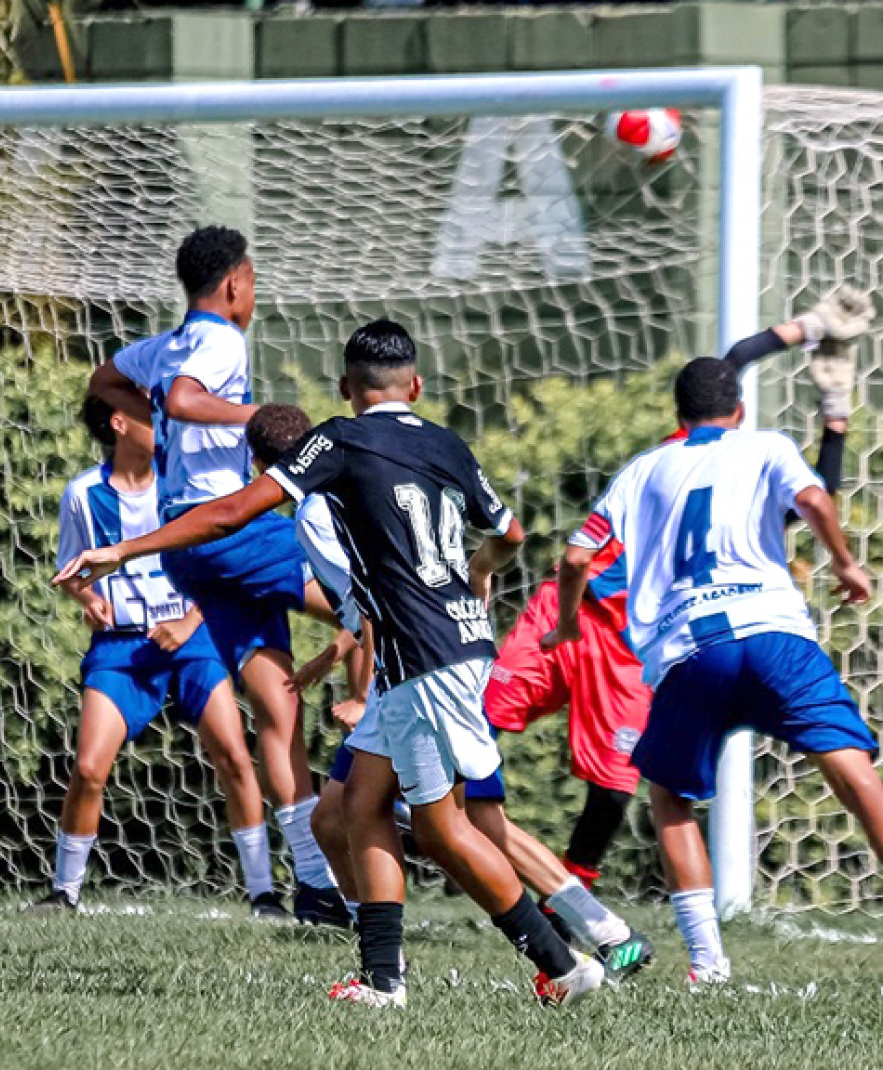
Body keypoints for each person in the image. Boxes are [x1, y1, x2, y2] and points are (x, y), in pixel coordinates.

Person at [58, 320, 605, 1008]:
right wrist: (477, 573)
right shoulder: (444, 441)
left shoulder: (339, 440)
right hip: (459, 641)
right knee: (351, 805)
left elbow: (231, 511)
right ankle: (383, 980)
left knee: (442, 830)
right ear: (417, 386)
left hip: (418, 655)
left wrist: (124, 550)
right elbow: (511, 534)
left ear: (346, 389)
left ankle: (561, 966)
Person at [545, 356, 883, 988]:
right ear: (739, 411)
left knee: (670, 798)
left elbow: (574, 558)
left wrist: (566, 626)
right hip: (775, 633)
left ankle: (708, 965)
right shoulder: (766, 445)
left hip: (688, 650)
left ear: (678, 416)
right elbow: (812, 497)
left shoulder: (644, 468)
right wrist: (844, 564)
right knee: (855, 775)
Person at [485, 290, 874, 897]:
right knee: (473, 724)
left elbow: (805, 494)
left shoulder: (740, 485)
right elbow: (738, 359)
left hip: (624, 642)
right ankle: (402, 823)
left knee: (614, 786)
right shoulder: (681, 453)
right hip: (562, 610)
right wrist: (815, 336)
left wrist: (831, 404)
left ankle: (571, 905)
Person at [246, 404, 654, 981]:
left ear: (260, 463)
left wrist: (362, 689)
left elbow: (374, 600)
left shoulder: (316, 508)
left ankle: (585, 945)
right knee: (342, 817)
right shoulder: (374, 468)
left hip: (415, 670)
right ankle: (388, 962)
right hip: (446, 650)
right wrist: (335, 655)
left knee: (460, 826)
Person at [88, 225, 348, 926]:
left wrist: (174, 424)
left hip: (188, 544)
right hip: (227, 525)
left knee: (277, 705)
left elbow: (105, 381)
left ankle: (316, 888)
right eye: (254, 281)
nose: (253, 295)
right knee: (371, 604)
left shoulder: (161, 344)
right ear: (234, 282)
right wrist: (252, 416)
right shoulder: (220, 340)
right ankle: (400, 780)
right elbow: (181, 398)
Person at [29, 395, 275, 916]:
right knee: (89, 768)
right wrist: (89, 600)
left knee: (233, 753)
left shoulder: (185, 485)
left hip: (194, 635)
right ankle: (63, 893)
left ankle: (265, 894)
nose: (162, 425)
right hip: (122, 649)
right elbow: (72, 574)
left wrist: (189, 621)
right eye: (150, 416)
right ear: (120, 424)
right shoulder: (83, 494)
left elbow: (223, 567)